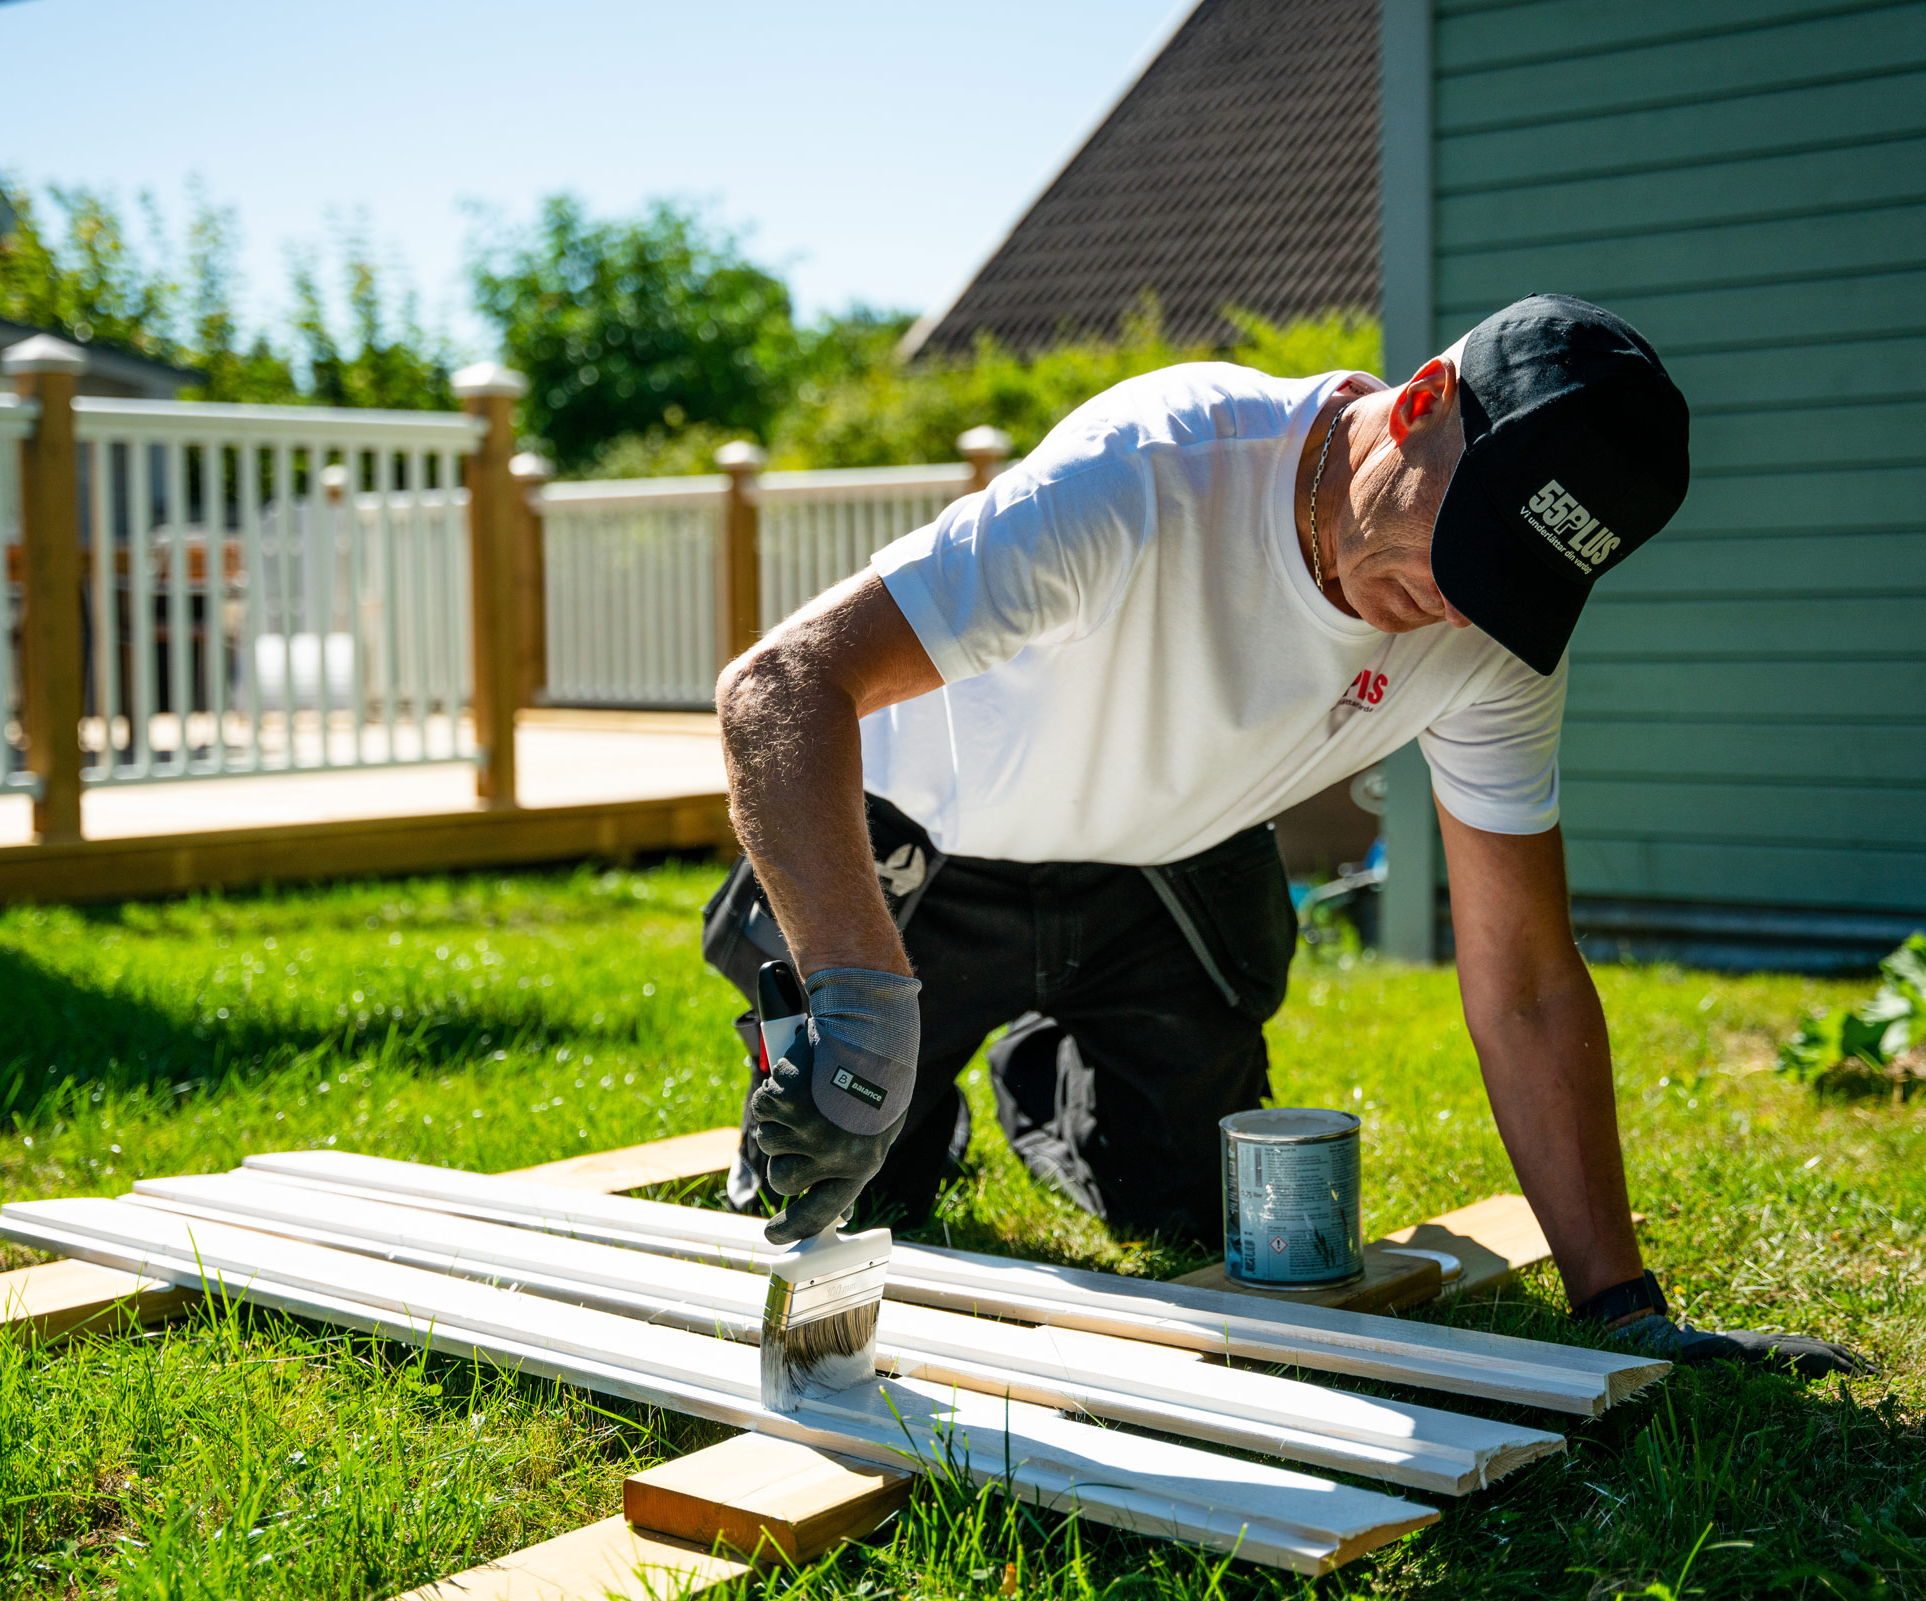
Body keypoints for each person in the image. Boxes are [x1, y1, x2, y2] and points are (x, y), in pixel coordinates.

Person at [702, 294, 1865, 1378]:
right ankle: (920, 1081)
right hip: (927, 845)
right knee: (842, 1186)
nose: (1459, 608)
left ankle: (1036, 1071)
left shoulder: (1494, 639)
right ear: (1416, 405)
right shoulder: (1154, 470)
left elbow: (1525, 984)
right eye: (1462, 551)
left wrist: (1625, 1308)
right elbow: (778, 687)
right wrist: (858, 999)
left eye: (1509, 582)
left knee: (1189, 1209)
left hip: (1166, 858)